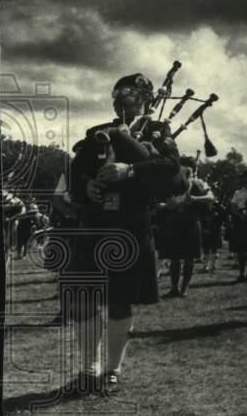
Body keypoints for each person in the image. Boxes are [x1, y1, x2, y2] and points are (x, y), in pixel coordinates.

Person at [67, 73, 181, 394]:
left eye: (129, 96)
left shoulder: (158, 131)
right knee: (85, 300)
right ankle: (89, 369)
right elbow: (76, 172)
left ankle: (112, 370)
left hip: (131, 225)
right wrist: (86, 186)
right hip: (94, 225)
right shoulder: (97, 132)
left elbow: (172, 168)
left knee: (119, 302)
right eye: (118, 96)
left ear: (145, 98)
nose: (121, 102)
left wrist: (130, 169)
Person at [162, 157, 214, 297]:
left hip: (191, 222)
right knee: (174, 257)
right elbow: (166, 202)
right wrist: (169, 205)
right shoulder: (173, 183)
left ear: (192, 170)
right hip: (175, 221)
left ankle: (184, 289)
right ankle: (174, 288)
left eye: (187, 168)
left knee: (189, 258)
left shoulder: (198, 183)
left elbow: (211, 197)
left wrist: (195, 199)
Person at [229, 171, 247, 283]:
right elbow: (233, 207)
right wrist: (240, 215)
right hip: (241, 221)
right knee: (241, 250)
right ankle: (241, 273)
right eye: (245, 179)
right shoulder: (237, 193)